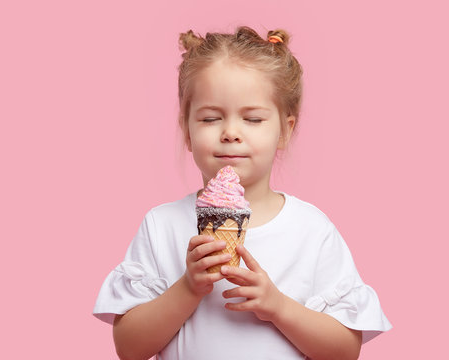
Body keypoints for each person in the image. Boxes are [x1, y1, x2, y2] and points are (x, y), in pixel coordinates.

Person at [93, 26, 392, 360]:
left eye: (252, 119)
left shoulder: (312, 230)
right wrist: (188, 289)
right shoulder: (161, 225)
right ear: (187, 131)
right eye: (210, 118)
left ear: (284, 130)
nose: (231, 133)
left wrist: (279, 307)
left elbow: (344, 351)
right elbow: (129, 348)